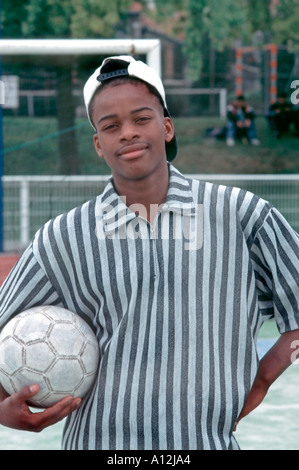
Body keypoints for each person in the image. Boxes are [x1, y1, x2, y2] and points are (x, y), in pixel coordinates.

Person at [0, 55, 299, 451]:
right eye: (111, 126)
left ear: (167, 126)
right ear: (98, 145)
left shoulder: (244, 216)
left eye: (141, 119)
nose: (127, 133)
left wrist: (261, 380)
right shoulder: (62, 238)